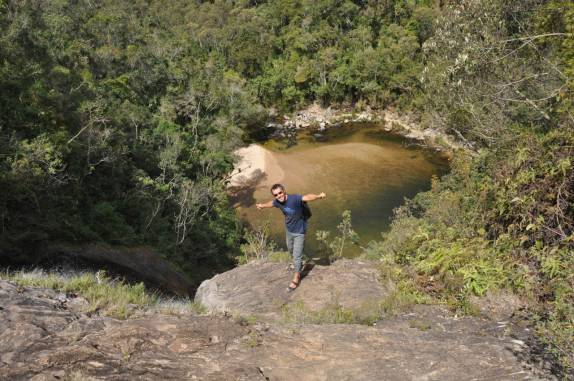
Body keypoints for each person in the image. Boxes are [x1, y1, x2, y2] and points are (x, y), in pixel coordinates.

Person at [256, 184, 326, 291]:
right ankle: (299, 263)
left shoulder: (294, 199)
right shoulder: (277, 202)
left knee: (297, 256)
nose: (279, 196)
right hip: (289, 230)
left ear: (284, 191)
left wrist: (319, 196)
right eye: (276, 195)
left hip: (299, 232)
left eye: (280, 193)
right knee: (291, 250)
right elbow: (272, 203)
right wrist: (262, 205)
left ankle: (296, 277)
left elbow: (307, 197)